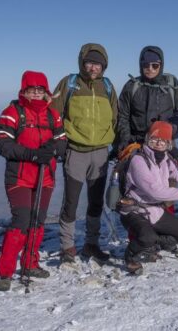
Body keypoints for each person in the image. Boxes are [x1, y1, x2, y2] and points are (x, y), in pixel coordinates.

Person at [0, 71, 67, 291]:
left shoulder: (53, 115)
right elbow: (3, 145)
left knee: (37, 221)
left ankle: (30, 264)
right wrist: (34, 154)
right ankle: (5, 272)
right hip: (20, 177)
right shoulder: (12, 113)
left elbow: (62, 142)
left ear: (46, 92)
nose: (36, 93)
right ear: (23, 90)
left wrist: (51, 149)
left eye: (40, 89)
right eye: (32, 89)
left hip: (46, 177)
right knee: (21, 221)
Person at [51, 44, 118, 263]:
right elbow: (54, 114)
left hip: (100, 153)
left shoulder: (107, 87)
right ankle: (67, 246)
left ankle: (92, 243)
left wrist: (116, 145)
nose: (93, 67)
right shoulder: (69, 83)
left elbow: (115, 119)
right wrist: (59, 141)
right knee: (70, 201)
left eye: (97, 64)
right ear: (82, 62)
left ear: (103, 66)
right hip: (76, 151)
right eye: (89, 62)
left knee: (96, 202)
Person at [118, 121, 178, 274]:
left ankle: (151, 246)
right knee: (147, 237)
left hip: (155, 211)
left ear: (169, 143)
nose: (158, 143)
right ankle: (131, 257)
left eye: (163, 140)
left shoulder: (167, 159)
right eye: (154, 139)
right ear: (147, 138)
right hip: (134, 211)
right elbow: (156, 192)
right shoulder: (138, 160)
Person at [115, 46, 178, 154]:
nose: (150, 68)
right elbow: (123, 115)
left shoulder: (172, 86)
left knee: (164, 171)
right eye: (146, 65)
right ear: (141, 65)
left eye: (155, 65)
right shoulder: (132, 86)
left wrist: (166, 131)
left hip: (164, 143)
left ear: (161, 65)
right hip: (136, 144)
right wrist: (125, 139)